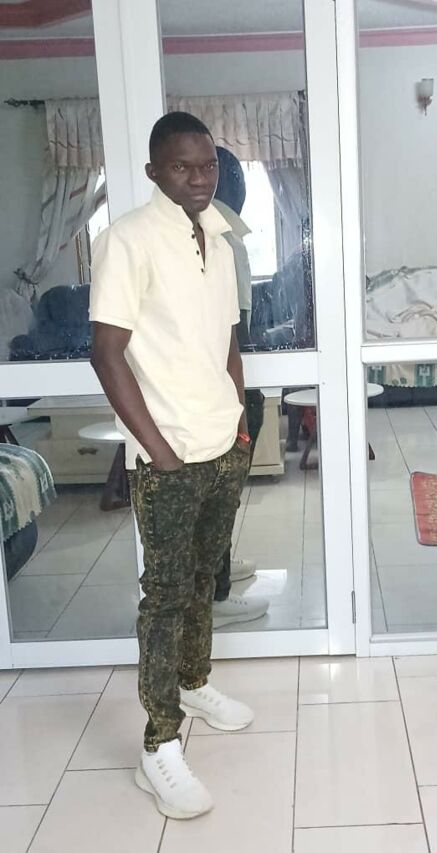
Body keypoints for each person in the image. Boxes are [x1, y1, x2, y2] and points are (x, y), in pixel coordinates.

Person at [90, 111, 255, 820]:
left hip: (221, 443)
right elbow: (106, 352)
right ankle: (158, 744)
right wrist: (157, 450)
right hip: (168, 457)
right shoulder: (127, 238)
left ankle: (194, 682)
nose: (198, 178)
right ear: (154, 170)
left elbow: (228, 337)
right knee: (163, 597)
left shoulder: (219, 234)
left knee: (203, 577)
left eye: (208, 165)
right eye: (182, 166)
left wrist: (240, 419)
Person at [210, 146, 270, 628]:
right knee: (222, 491)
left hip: (234, 376)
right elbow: (230, 327)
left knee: (227, 490)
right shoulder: (217, 237)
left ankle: (221, 570)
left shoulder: (226, 231)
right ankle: (216, 596)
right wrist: (242, 398)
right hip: (225, 384)